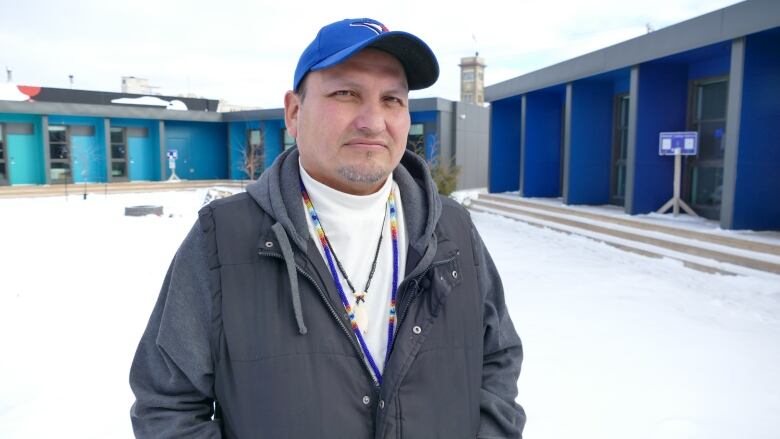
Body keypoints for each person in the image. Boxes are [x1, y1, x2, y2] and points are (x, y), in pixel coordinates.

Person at [130, 17, 525, 438]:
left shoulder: (453, 231)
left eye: (392, 99)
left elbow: (497, 363)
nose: (373, 121)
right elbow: (167, 404)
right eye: (346, 93)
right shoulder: (221, 240)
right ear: (294, 112)